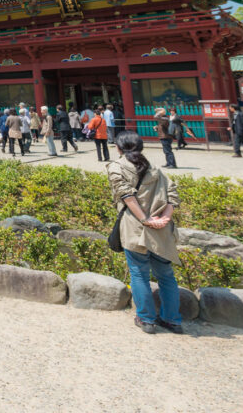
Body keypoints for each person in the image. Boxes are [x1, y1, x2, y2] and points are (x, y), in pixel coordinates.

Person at [108, 131, 184, 335]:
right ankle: (172, 320)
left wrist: (145, 219)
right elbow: (172, 195)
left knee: (139, 274)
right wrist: (164, 219)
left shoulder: (117, 167)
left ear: (119, 147)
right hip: (160, 231)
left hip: (135, 228)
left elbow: (126, 196)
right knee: (166, 276)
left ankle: (146, 319)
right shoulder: (155, 168)